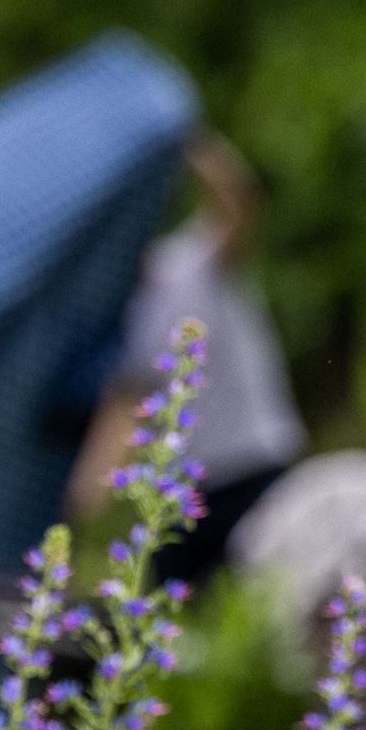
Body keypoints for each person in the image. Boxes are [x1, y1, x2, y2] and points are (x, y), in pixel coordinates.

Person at [68, 130, 306, 589]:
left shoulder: (191, 261)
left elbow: (239, 203)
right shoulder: (123, 315)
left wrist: (182, 140)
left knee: (262, 606)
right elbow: (122, 408)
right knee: (167, 609)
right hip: (187, 487)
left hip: (254, 469)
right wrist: (83, 510)